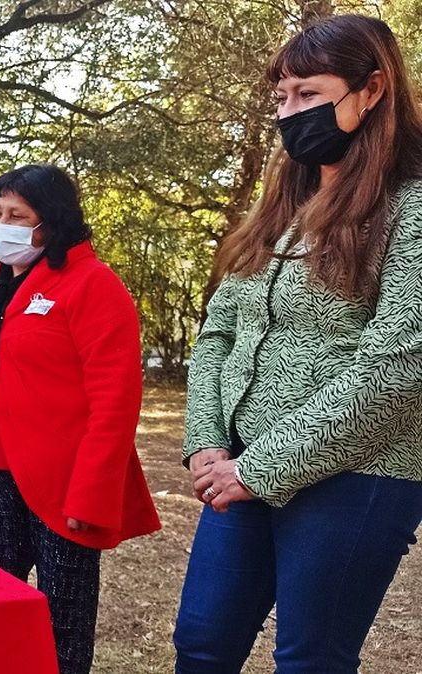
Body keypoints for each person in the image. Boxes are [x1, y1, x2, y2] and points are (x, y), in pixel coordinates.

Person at [176, 15, 422, 673]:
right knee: (200, 645)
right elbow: (219, 331)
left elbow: (400, 366)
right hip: (239, 466)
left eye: (308, 93)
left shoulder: (412, 209)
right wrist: (207, 443)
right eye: (281, 96)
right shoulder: (281, 209)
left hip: (359, 474)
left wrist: (258, 469)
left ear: (372, 90)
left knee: (311, 659)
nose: (288, 112)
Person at [0, 164, 160, 674]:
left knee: (63, 625)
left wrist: (92, 493)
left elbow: (115, 402)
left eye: (17, 215)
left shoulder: (92, 284)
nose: (2, 224)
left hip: (63, 485)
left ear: (50, 221)